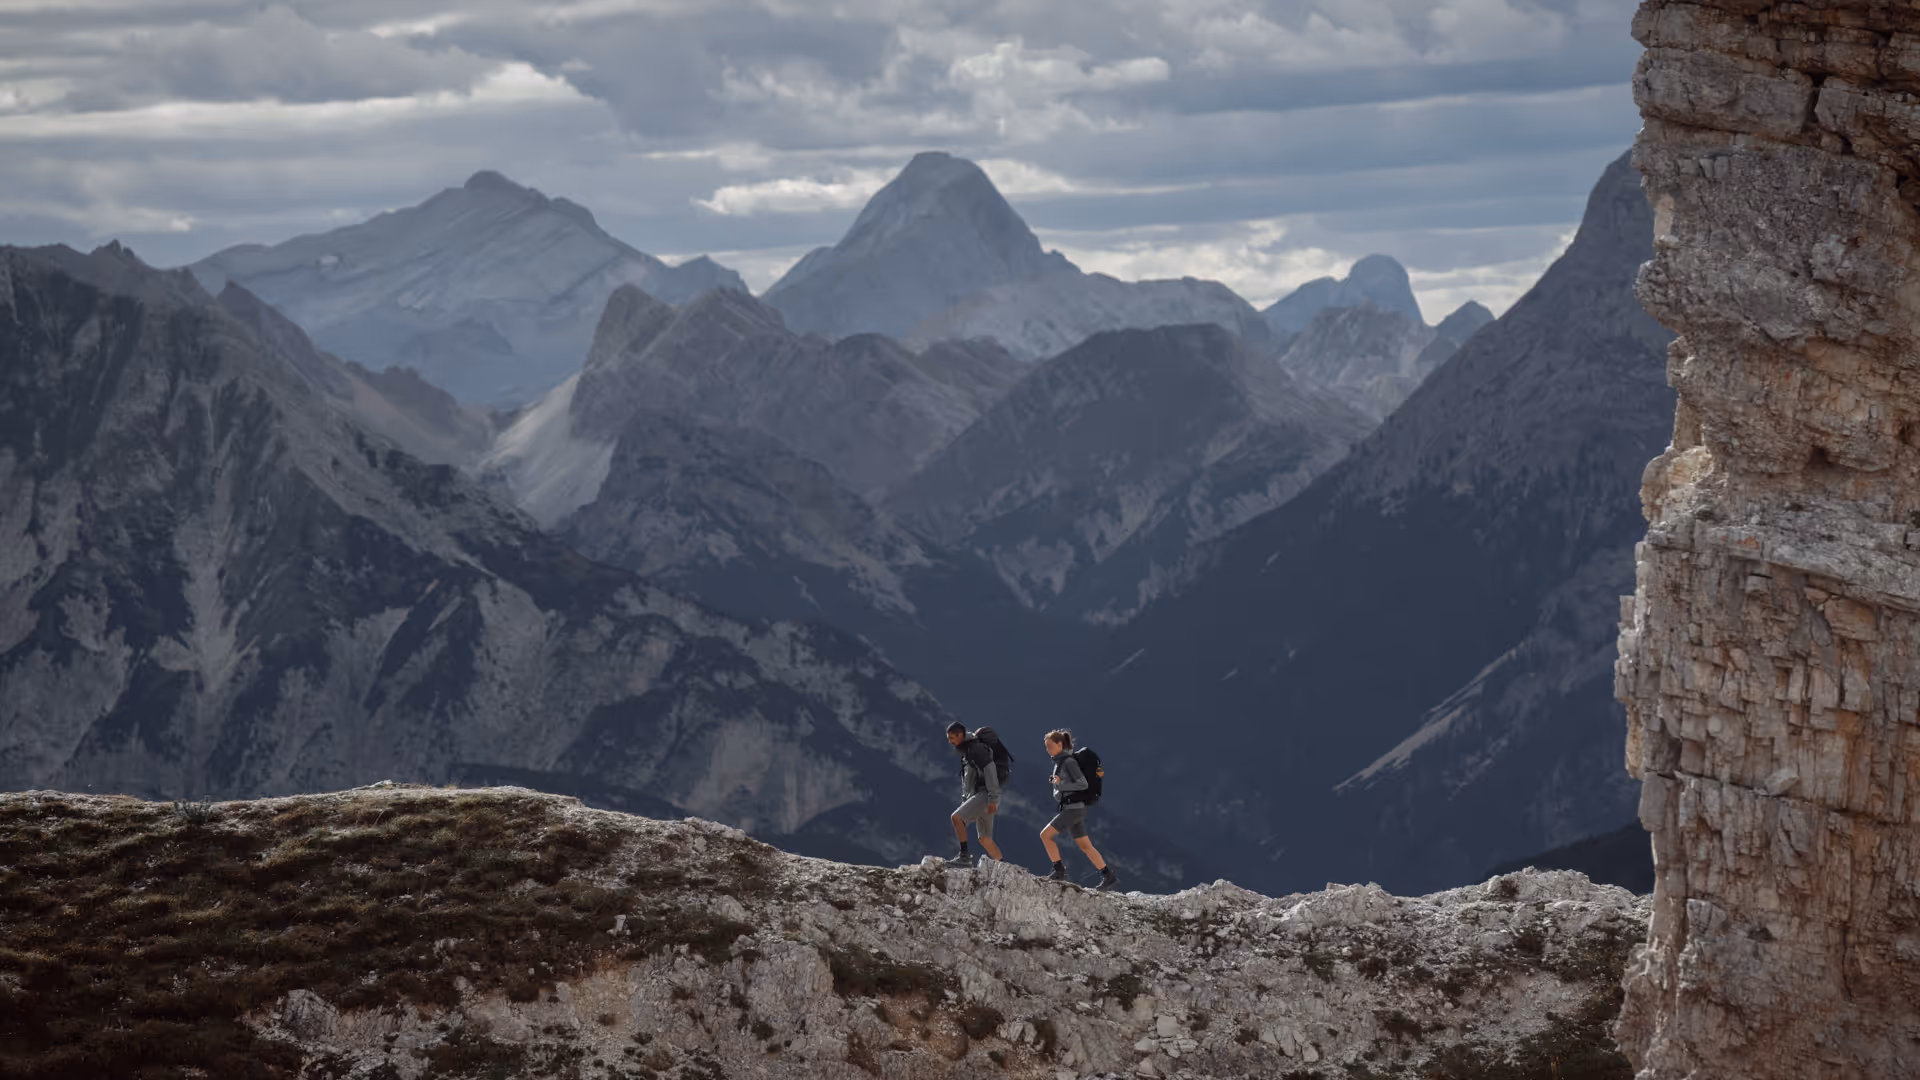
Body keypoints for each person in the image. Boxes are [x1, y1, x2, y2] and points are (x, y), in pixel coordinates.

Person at [1041, 729, 1118, 890]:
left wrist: (1060, 784)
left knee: (1046, 835)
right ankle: (1108, 875)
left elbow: (1083, 783)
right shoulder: (1060, 762)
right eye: (1046, 746)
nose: (1047, 750)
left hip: (1073, 809)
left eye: (1049, 746)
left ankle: (1059, 870)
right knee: (1085, 845)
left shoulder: (1068, 762)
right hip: (1074, 808)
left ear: (1060, 744)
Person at [947, 721, 1001, 866]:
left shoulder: (975, 749)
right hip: (982, 796)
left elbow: (990, 771)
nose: (950, 742)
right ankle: (1002, 867)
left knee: (957, 818)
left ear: (960, 735)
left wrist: (993, 799)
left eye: (952, 738)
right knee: (984, 839)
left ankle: (964, 856)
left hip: (984, 795)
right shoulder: (968, 750)